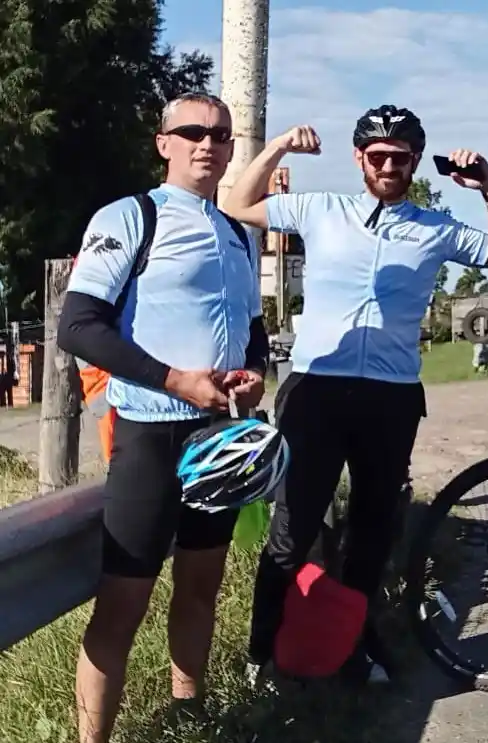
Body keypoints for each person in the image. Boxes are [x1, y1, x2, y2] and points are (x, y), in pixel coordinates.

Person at [222, 104, 488, 685]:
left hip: (389, 396)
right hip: (317, 389)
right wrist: (281, 144)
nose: (388, 165)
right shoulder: (321, 209)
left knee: (373, 526)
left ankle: (351, 644)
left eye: (400, 157)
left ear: (413, 163)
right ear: (360, 158)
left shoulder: (433, 228)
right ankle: (260, 653)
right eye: (377, 155)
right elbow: (237, 203)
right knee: (294, 524)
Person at [57, 91, 269, 743]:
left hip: (220, 433)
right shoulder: (131, 216)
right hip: (149, 432)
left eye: (222, 135)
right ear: (164, 142)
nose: (209, 143)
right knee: (122, 604)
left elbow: (254, 328)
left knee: (200, 584)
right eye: (195, 131)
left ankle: (188, 714)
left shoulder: (240, 234)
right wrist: (176, 379)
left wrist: (255, 374)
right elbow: (78, 326)